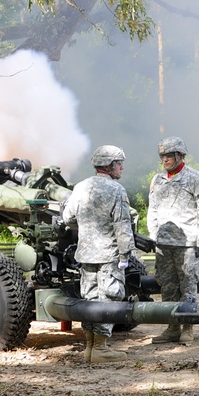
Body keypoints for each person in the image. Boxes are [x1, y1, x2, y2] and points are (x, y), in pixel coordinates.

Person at [61, 145, 137, 363]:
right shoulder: (116, 190)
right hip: (108, 255)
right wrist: (125, 255)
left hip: (85, 254)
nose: (122, 167)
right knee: (109, 299)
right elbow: (122, 225)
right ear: (109, 166)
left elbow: (68, 218)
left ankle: (90, 348)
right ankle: (101, 349)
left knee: (90, 299)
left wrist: (87, 228)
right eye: (119, 163)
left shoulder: (81, 187)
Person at [147, 137, 199, 344]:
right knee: (167, 288)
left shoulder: (196, 178)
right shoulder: (157, 180)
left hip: (187, 244)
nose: (165, 160)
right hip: (163, 244)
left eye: (169, 155)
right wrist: (153, 234)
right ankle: (172, 327)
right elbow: (153, 209)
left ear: (180, 156)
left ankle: (188, 327)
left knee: (188, 287)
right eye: (162, 156)